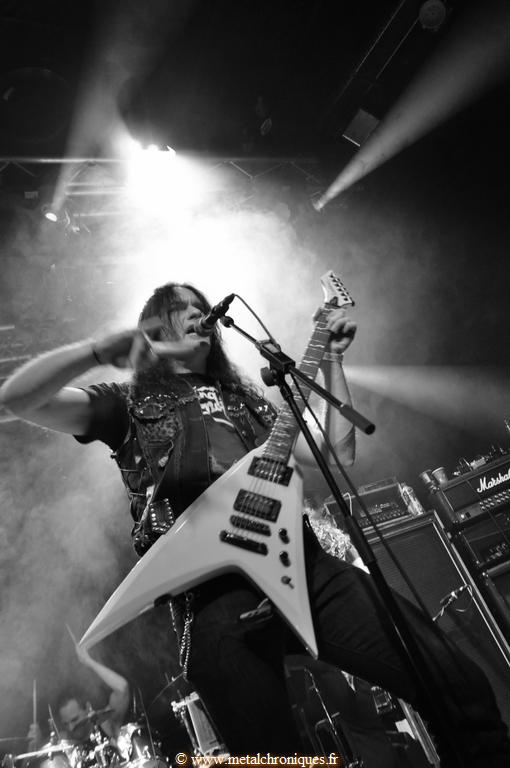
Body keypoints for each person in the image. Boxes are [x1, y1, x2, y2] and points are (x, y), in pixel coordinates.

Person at [2, 281, 510, 767]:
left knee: (454, 680)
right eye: (182, 308)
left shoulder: (247, 400)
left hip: (301, 562)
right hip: (210, 595)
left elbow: (338, 451)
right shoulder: (127, 402)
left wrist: (331, 360)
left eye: (201, 305)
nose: (198, 313)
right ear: (156, 329)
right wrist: (94, 350)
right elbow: (18, 399)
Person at [27, 638, 130, 751]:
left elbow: (122, 688)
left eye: (74, 720)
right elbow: (38, 757)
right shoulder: (64, 740)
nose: (71, 728)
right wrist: (34, 746)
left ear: (88, 708)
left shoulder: (106, 723)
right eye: (66, 724)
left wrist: (89, 662)